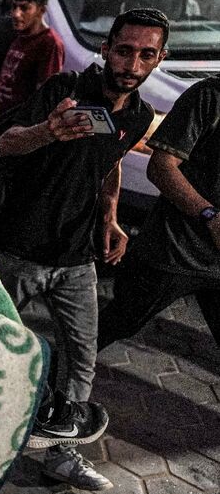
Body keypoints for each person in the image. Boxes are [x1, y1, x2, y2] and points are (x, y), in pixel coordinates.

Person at [0, 8, 169, 490]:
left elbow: (108, 161)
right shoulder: (62, 90)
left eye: (145, 54)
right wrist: (48, 130)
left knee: (81, 356)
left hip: (76, 258)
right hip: (19, 249)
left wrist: (109, 215)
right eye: (124, 50)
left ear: (158, 59)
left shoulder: (139, 116)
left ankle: (61, 452)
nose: (131, 63)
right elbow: (5, 143)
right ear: (106, 48)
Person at [95, 73, 220, 351]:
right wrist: (210, 216)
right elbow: (161, 167)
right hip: (174, 252)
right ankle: (51, 379)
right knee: (116, 324)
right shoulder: (207, 97)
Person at [0, 0, 65, 118]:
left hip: (17, 126)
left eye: (24, 8)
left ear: (41, 10)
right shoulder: (21, 36)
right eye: (14, 7)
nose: (16, 14)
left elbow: (45, 95)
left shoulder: (49, 43)